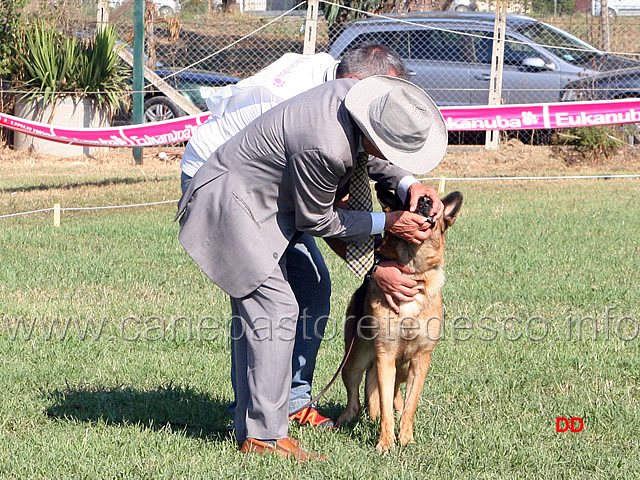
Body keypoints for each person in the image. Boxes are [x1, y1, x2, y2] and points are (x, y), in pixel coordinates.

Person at [176, 75, 447, 460]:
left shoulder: (350, 100)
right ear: (374, 133)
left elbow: (370, 158)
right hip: (234, 207)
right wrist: (387, 223)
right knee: (276, 309)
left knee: (310, 287)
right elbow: (318, 221)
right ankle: (264, 438)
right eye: (392, 149)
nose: (392, 157)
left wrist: (408, 186)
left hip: (270, 207)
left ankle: (251, 419)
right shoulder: (327, 146)